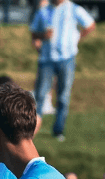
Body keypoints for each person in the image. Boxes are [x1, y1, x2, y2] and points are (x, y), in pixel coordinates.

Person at [29, 0, 95, 142]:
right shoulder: (43, 10)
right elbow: (34, 33)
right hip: (46, 59)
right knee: (40, 95)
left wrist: (77, 37)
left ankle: (58, 130)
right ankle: (32, 129)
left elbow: (90, 24)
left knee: (63, 95)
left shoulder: (74, 9)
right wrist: (43, 36)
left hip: (67, 58)